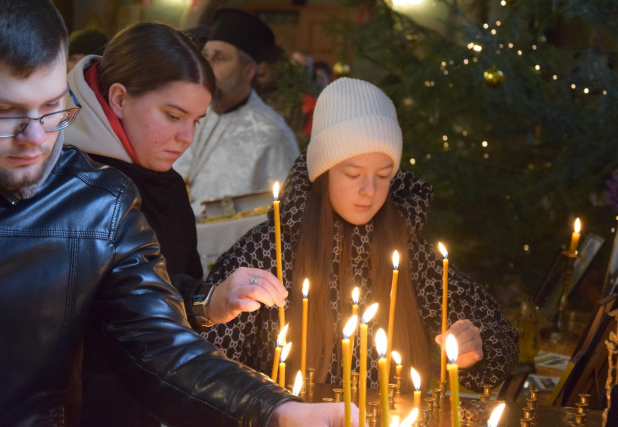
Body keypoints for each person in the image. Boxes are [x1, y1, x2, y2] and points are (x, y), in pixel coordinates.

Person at [0, 1, 359, 425]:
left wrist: (275, 409)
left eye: (52, 108)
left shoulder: (98, 203)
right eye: (4, 112)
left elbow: (155, 340)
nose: (36, 138)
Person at [203, 78, 519, 392]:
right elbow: (208, 367)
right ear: (322, 173)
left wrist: (474, 344)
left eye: (383, 175)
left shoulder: (409, 254)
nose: (369, 190)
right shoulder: (267, 251)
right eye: (353, 174)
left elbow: (502, 344)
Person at [66, 22, 292, 425]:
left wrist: (212, 299)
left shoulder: (165, 185)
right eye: (173, 115)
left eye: (197, 121)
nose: (187, 137)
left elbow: (165, 288)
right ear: (119, 98)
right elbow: (122, 316)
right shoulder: (65, 181)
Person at [173, 8, 300, 216]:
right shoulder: (190, 114)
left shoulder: (272, 134)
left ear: (248, 72)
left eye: (219, 58)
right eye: (205, 56)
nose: (206, 66)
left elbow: (288, 213)